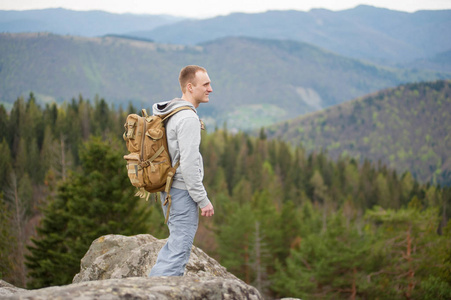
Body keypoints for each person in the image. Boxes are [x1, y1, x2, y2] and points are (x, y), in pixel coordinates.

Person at [148, 65, 215, 277]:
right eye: (205, 84)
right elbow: (188, 164)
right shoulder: (187, 119)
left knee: (175, 246)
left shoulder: (173, 111)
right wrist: (202, 199)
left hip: (170, 190)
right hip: (181, 192)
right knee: (178, 253)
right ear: (189, 87)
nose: (210, 89)